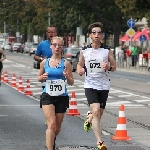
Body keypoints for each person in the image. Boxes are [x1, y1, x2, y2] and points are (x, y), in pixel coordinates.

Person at [76, 22, 116, 150]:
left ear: (102, 35)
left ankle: (90, 118)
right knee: (96, 110)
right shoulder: (85, 51)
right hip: (90, 85)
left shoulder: (107, 50)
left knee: (98, 114)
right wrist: (80, 70)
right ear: (90, 35)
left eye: (99, 32)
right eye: (94, 33)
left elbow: (114, 67)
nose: (97, 35)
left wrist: (108, 67)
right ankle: (100, 142)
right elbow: (79, 65)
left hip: (104, 85)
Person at [38, 36, 74, 150]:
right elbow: (39, 77)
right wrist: (42, 77)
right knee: (51, 124)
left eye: (59, 45)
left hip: (61, 96)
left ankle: (50, 143)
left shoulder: (66, 63)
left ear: (62, 47)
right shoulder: (45, 62)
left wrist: (67, 76)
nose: (57, 47)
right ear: (51, 46)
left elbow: (71, 82)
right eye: (54, 45)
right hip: (47, 95)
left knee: (57, 128)